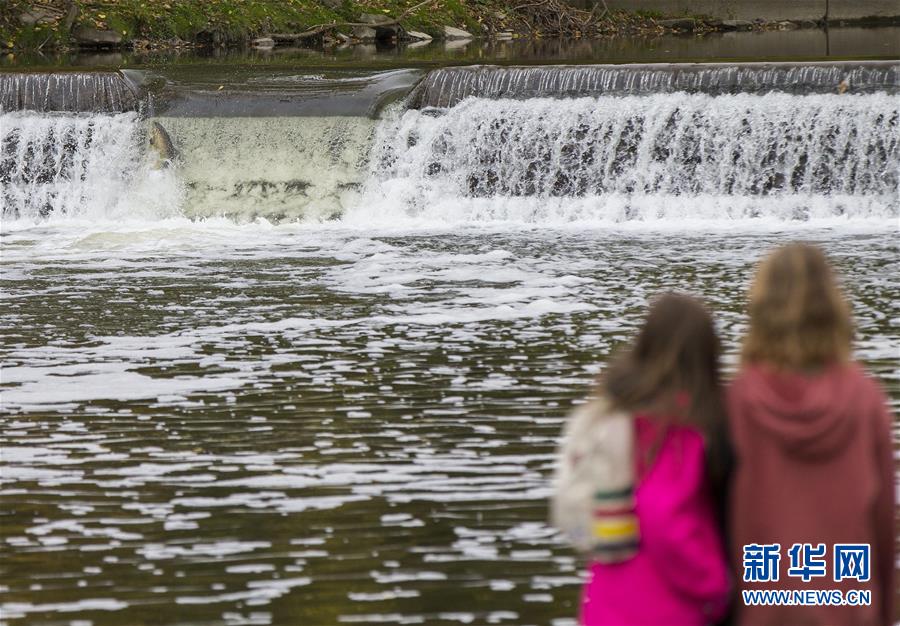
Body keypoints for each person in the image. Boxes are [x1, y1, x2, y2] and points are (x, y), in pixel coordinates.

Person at [728, 243, 895, 626]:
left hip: (763, 606)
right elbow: (883, 519)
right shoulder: (865, 398)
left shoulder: (738, 400)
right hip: (847, 605)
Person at [555, 293, 732, 626]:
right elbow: (664, 518)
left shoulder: (611, 414)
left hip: (604, 604)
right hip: (664, 609)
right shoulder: (677, 425)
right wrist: (717, 586)